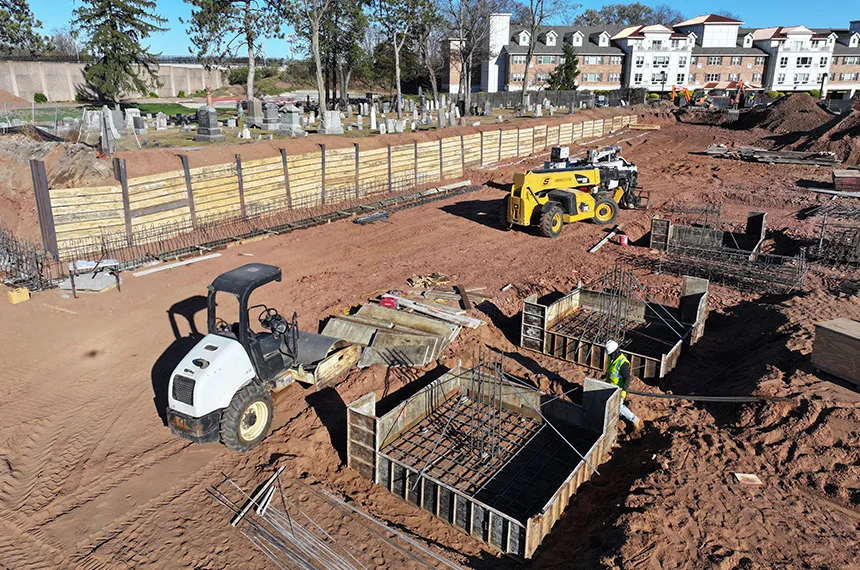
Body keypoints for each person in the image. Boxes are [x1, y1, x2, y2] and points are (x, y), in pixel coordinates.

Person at [604, 339, 642, 430]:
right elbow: (611, 371)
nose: (609, 356)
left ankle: (635, 419)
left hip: (619, 389)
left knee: (619, 406)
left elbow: (627, 378)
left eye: (610, 354)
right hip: (610, 386)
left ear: (614, 352)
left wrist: (623, 391)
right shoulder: (612, 359)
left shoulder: (622, 363)